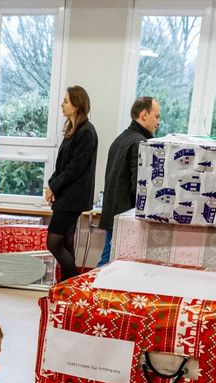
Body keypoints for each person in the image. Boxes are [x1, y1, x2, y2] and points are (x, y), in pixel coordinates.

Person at [99, 96, 161, 266]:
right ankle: (89, 291)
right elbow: (138, 186)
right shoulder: (140, 143)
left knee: (109, 258)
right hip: (125, 213)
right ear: (144, 115)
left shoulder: (121, 139)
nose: (158, 122)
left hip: (113, 210)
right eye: (156, 116)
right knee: (108, 263)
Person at [45, 85, 99, 282]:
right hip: (66, 194)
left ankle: (75, 282)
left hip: (73, 197)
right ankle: (67, 287)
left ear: (77, 104)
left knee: (53, 241)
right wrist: (51, 185)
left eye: (66, 101)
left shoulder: (86, 132)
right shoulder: (73, 130)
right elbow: (62, 165)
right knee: (66, 241)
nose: (62, 104)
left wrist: (53, 187)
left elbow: (74, 168)